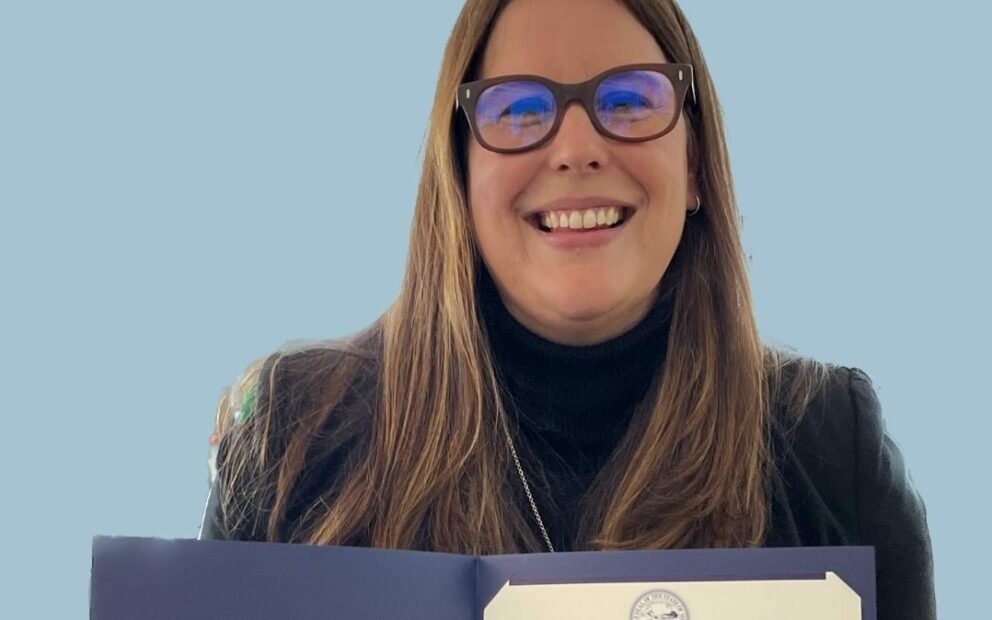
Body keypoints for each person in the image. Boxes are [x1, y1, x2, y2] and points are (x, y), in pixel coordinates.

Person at [198, 0, 936, 617]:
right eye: (519, 109)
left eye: (630, 101)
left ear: (695, 166)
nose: (577, 147)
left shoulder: (828, 445)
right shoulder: (294, 439)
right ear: (459, 174)